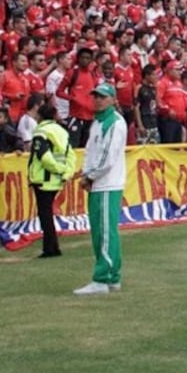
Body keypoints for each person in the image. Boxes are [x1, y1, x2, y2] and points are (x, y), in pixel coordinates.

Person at [73, 84, 127, 296]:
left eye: (102, 97)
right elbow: (90, 151)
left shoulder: (114, 123)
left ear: (113, 100)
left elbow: (107, 158)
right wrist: (86, 173)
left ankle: (103, 278)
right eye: (95, 96)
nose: (97, 100)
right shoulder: (98, 122)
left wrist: (89, 176)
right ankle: (112, 276)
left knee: (104, 232)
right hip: (100, 183)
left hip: (106, 184)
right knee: (102, 231)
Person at [27, 100, 73, 258]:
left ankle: (50, 248)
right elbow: (70, 155)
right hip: (56, 179)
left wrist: (57, 169)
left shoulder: (41, 132)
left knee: (45, 214)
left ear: (40, 116)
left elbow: (44, 157)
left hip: (43, 179)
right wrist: (66, 172)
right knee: (47, 213)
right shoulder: (62, 132)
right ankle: (53, 246)